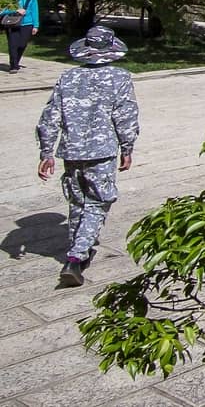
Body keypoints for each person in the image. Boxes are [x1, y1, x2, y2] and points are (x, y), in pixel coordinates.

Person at [36, 25, 140, 287]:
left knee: (78, 201)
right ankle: (76, 256)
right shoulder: (120, 78)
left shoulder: (68, 78)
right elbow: (125, 116)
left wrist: (46, 151)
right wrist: (127, 148)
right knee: (97, 202)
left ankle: (79, 249)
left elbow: (50, 117)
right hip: (102, 151)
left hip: (71, 151)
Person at [3, 0, 40, 73]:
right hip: (12, 23)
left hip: (27, 23)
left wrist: (36, 25)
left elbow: (35, 11)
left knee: (22, 45)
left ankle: (16, 61)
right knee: (13, 45)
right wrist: (16, 10)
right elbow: (2, 11)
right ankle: (13, 66)